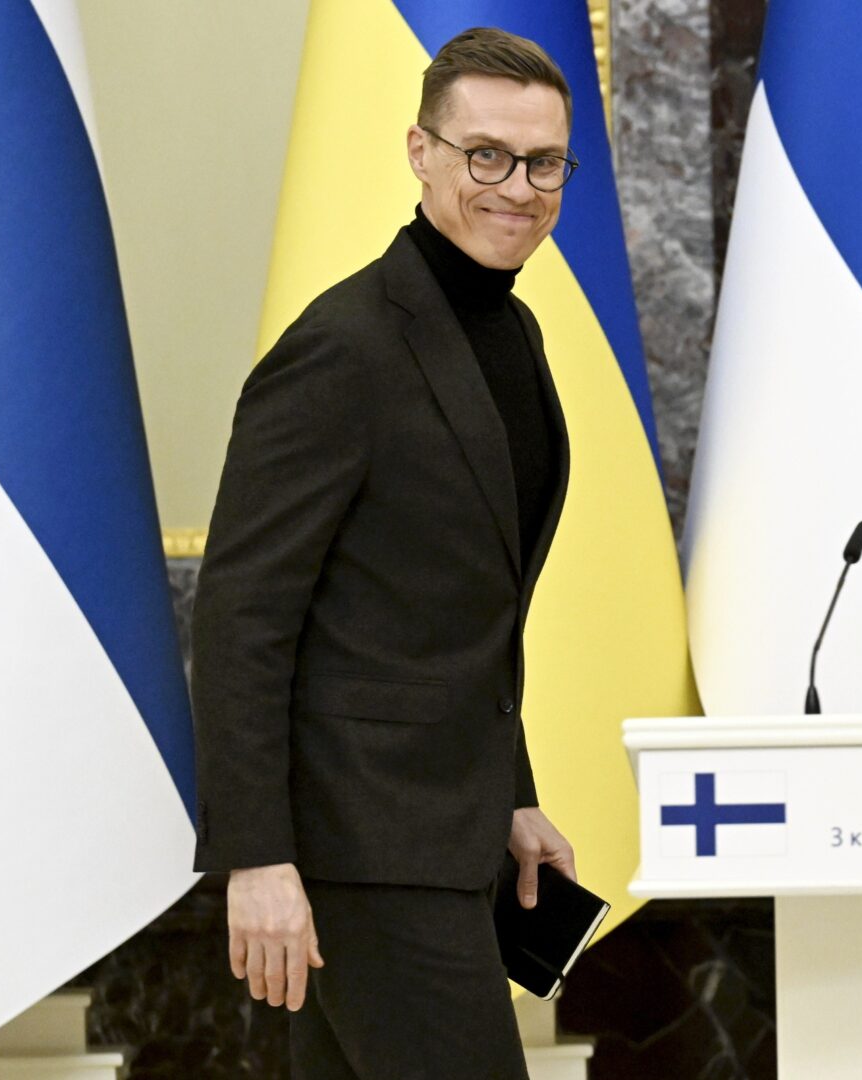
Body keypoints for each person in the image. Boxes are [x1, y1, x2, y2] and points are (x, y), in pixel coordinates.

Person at [191, 28, 583, 1079]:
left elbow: (455, 610)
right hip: (363, 850)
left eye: (545, 162)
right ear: (421, 151)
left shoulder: (513, 334)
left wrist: (511, 793)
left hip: (448, 835)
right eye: (486, 155)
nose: (518, 188)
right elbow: (241, 617)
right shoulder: (344, 345)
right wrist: (256, 858)